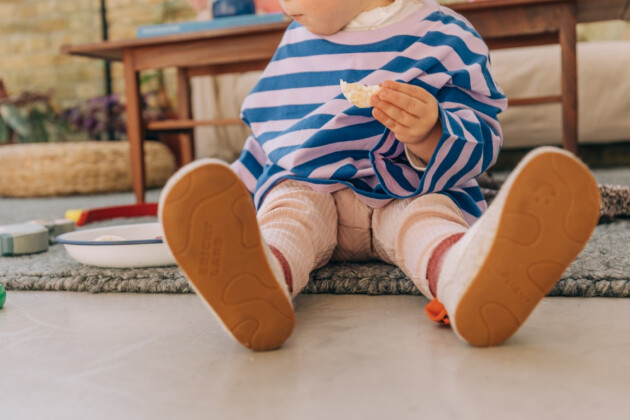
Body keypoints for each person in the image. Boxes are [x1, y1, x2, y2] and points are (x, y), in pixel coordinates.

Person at [159, 0, 601, 351]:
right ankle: (260, 279)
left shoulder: (446, 36)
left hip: (407, 187)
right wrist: (232, 195)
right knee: (286, 211)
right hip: (313, 188)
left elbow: (483, 141)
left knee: (427, 218)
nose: (281, 4)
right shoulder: (295, 41)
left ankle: (467, 277)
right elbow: (274, 138)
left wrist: (430, 133)